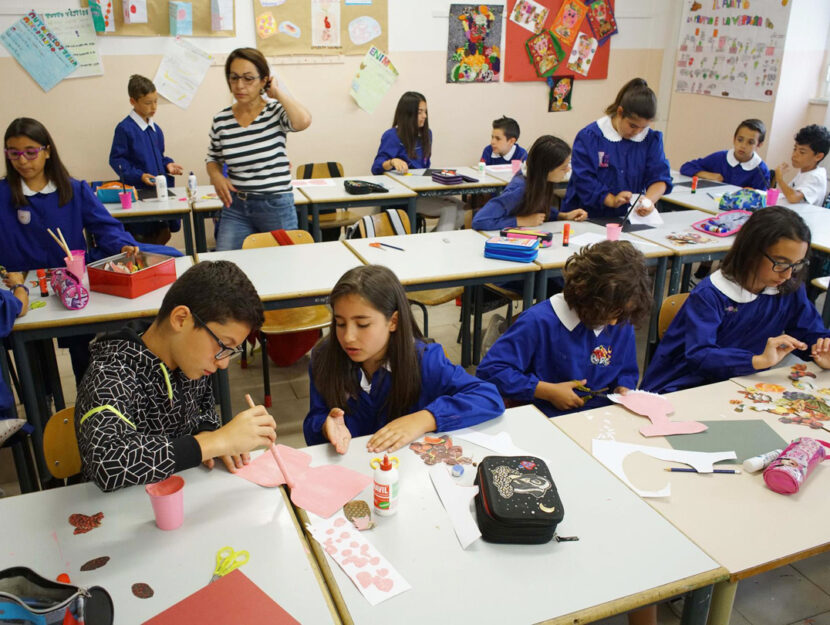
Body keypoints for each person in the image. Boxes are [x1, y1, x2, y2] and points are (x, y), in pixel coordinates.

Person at [75, 261, 276, 492]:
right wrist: (216, 441)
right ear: (181, 319)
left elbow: (204, 408)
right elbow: (108, 462)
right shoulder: (110, 373)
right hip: (119, 512)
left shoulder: (191, 359)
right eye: (223, 345)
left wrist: (208, 431)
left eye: (232, 351)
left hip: (181, 499)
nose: (222, 363)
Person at [304, 264, 504, 453]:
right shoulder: (325, 357)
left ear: (393, 321)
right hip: (350, 469)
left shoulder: (423, 359)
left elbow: (488, 396)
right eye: (340, 323)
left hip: (403, 472)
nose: (348, 337)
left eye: (363, 324)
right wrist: (324, 426)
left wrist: (425, 419)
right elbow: (316, 419)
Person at [1, 117, 141, 382]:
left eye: (31, 152)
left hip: (71, 287)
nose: (22, 161)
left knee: (82, 354)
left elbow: (104, 226)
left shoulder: (73, 189)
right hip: (22, 292)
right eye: (14, 153)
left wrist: (121, 243)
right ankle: (41, 411)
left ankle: (87, 404)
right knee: (32, 364)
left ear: (47, 151)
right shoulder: (2, 195)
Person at [642, 206, 830, 394]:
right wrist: (757, 361)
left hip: (743, 381)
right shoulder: (711, 294)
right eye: (780, 263)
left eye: (797, 264)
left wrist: (820, 349)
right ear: (751, 252)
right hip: (684, 385)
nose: (788, 274)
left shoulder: (788, 287)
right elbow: (700, 356)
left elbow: (809, 332)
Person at [476, 240, 650, 418]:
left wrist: (624, 388)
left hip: (601, 416)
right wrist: (547, 391)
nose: (614, 323)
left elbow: (625, 371)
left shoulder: (620, 318)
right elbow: (491, 371)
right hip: (545, 416)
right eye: (611, 313)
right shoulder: (539, 321)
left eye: (622, 313)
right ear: (586, 295)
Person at [207, 47, 312, 251]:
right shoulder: (221, 120)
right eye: (234, 78)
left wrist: (278, 93)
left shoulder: (275, 112)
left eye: (248, 79)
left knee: (285, 266)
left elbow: (303, 121)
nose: (240, 85)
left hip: (275, 204)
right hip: (236, 205)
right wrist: (216, 176)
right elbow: (212, 157)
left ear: (264, 81)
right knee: (227, 265)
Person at [562, 77, 672, 219]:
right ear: (620, 112)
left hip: (626, 217)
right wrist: (611, 200)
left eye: (643, 127)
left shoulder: (651, 139)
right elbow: (584, 179)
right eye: (632, 125)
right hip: (587, 214)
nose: (637, 132)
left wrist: (648, 201)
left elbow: (659, 178)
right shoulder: (590, 137)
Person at [371, 91, 464, 231]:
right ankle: (437, 246)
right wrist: (392, 162)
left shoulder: (427, 134)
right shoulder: (392, 136)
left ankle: (433, 242)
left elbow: (425, 167)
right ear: (408, 113)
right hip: (404, 196)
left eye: (425, 112)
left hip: (422, 192)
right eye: (420, 112)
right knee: (450, 209)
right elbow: (376, 167)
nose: (424, 116)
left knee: (462, 207)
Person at [109, 74, 184, 245]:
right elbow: (116, 160)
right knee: (142, 238)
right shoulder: (125, 128)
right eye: (148, 103)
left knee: (162, 234)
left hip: (158, 192)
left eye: (156, 101)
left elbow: (160, 156)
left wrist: (168, 165)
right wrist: (139, 176)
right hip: (139, 195)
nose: (154, 107)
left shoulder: (155, 128)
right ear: (133, 102)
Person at [472, 135, 587, 230]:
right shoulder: (519, 190)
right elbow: (479, 221)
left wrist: (563, 216)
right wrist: (520, 221)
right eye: (563, 167)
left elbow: (537, 207)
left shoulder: (541, 181)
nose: (568, 170)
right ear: (546, 169)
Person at [679, 118, 770, 189]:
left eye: (750, 142)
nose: (743, 146)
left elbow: (763, 198)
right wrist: (709, 175)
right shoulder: (720, 157)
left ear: (759, 145)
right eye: (740, 140)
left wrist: (753, 193)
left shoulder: (761, 170)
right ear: (734, 139)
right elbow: (686, 167)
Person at [775, 124, 830, 205]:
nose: (794, 155)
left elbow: (793, 197)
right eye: (795, 149)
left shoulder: (816, 177)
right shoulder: (805, 171)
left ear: (818, 156)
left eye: (802, 152)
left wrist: (780, 179)